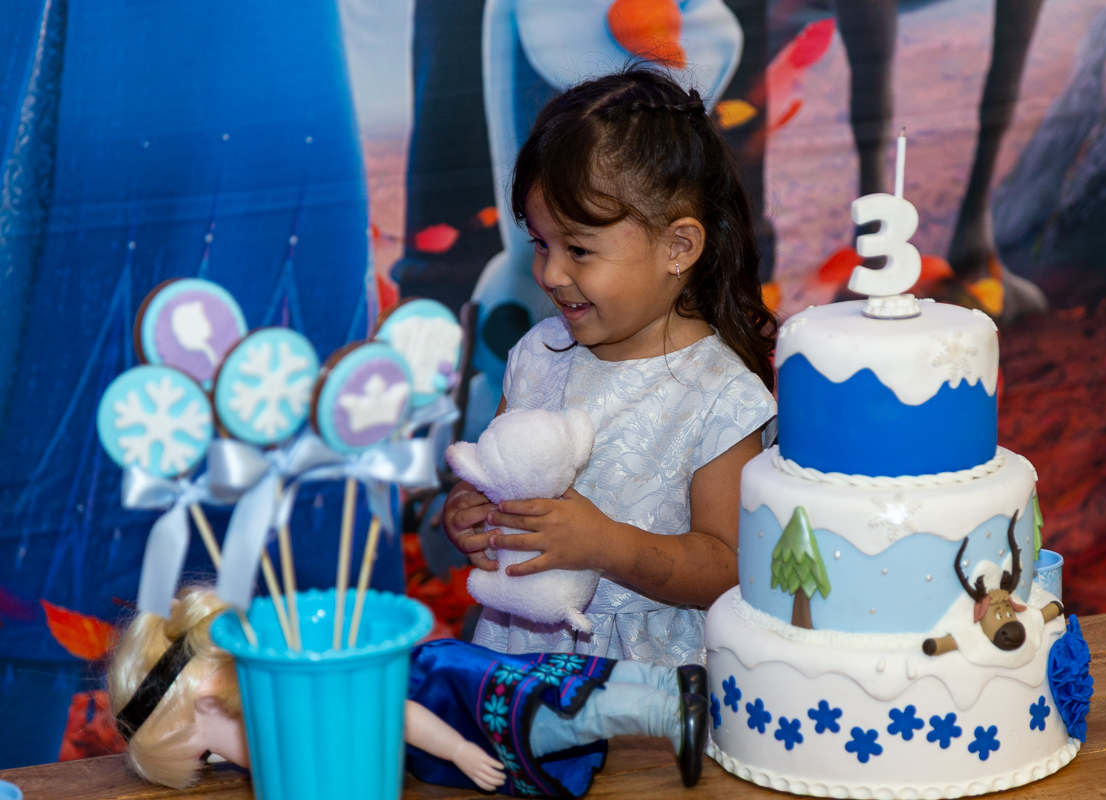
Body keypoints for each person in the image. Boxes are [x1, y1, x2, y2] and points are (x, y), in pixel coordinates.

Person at [443, 66, 778, 665]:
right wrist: (474, 514)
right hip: (519, 663)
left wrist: (604, 544)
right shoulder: (537, 356)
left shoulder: (720, 393)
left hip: (645, 691)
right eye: (541, 244)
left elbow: (730, 566)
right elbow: (498, 481)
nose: (550, 274)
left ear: (679, 248)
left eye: (578, 248)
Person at [108, 587, 709, 796]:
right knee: (552, 679)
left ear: (207, 702)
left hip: (447, 702)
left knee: (553, 714)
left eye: (204, 753)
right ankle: (666, 684)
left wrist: (457, 752)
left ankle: (665, 712)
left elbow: (392, 714)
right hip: (441, 682)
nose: (220, 765)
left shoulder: (295, 703)